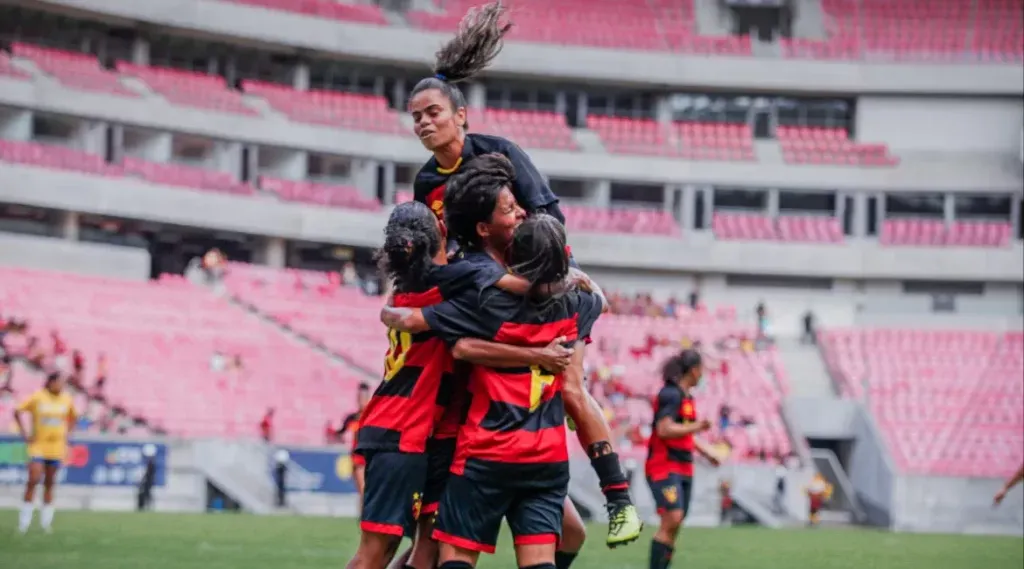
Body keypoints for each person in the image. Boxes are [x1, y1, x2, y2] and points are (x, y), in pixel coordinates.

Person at [389, 154, 641, 566]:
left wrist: (392, 300)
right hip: (541, 455)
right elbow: (598, 305)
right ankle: (618, 496)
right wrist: (561, 313)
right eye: (511, 209)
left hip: (482, 449)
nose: (523, 211)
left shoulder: (478, 296)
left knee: (434, 550)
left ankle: (619, 498)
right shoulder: (576, 304)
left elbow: (443, 335)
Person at [349, 201, 579, 569]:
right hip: (401, 429)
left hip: (435, 434)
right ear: (440, 232)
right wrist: (563, 281)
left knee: (430, 548)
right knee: (378, 551)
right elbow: (507, 292)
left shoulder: (415, 285)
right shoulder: (450, 288)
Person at [645, 349, 721, 569]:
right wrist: (700, 426)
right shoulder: (670, 394)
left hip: (684, 467)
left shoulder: (687, 398)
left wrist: (707, 453)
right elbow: (664, 429)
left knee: (675, 524)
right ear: (695, 371)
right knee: (673, 518)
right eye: (702, 370)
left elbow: (684, 432)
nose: (703, 374)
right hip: (664, 465)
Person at [13, 372, 77, 534]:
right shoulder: (38, 397)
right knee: (33, 479)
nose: (61, 386)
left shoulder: (66, 399)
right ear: (50, 382)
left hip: (56, 448)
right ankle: (24, 522)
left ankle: (45, 523)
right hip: (38, 446)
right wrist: (25, 434)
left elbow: (73, 417)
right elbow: (18, 411)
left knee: (50, 483)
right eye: (59, 382)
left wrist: (67, 434)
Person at [340, 382, 371, 502]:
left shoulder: (371, 416)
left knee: (365, 493)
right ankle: (363, 518)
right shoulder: (352, 418)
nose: (361, 401)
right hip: (358, 459)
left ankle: (365, 518)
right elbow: (340, 432)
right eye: (359, 397)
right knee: (363, 492)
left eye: (364, 397)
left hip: (368, 459)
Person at [137, 443, 157, 511]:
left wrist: (144, 480)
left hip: (148, 481)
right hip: (148, 481)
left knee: (146, 494)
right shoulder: (151, 463)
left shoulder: (151, 463)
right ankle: (145, 506)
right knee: (145, 494)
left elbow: (149, 474)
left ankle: (147, 507)